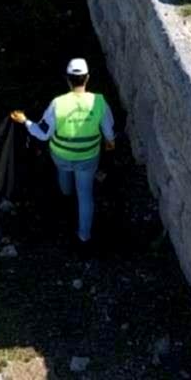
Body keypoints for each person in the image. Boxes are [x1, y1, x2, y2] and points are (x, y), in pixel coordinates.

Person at [11, 57, 116, 244]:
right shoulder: (99, 102)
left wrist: (24, 121)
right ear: (87, 78)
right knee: (85, 195)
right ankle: (84, 236)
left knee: (64, 176)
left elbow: (43, 133)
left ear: (68, 79)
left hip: (61, 155)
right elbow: (108, 130)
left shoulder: (58, 103)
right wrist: (110, 143)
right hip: (88, 157)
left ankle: (66, 195)